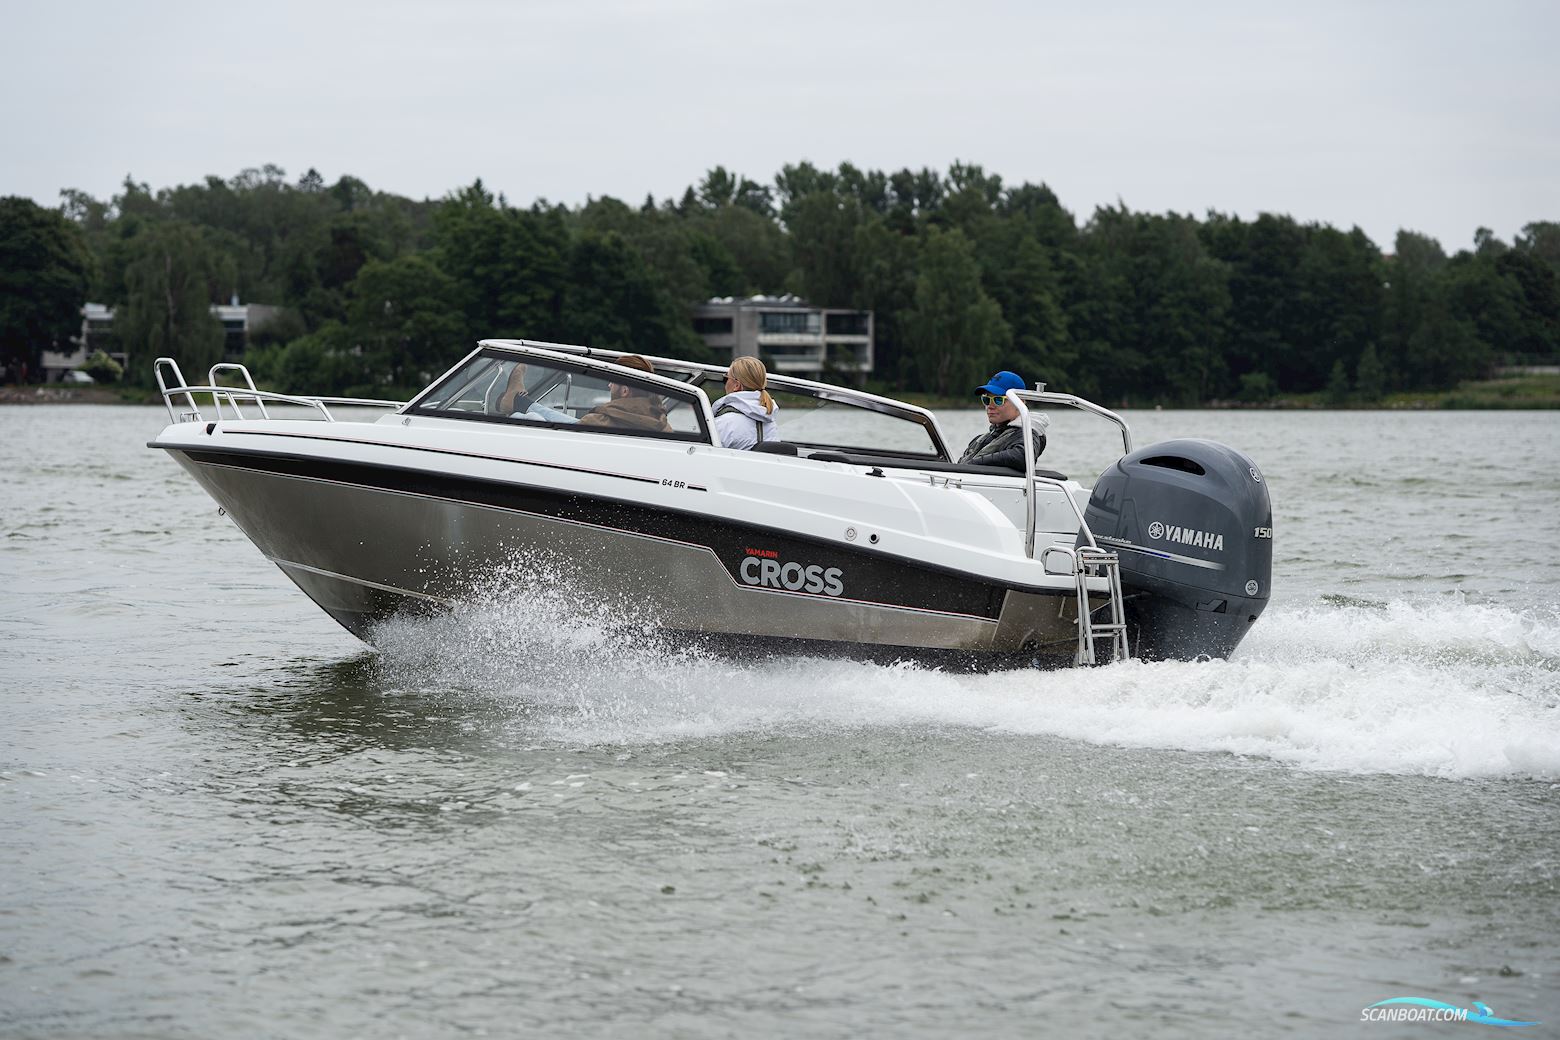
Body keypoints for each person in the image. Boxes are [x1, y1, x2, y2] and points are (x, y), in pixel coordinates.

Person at [958, 370, 1047, 471]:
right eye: (986, 400)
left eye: (998, 400)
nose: (990, 406)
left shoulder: (1028, 434)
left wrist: (973, 463)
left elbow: (1023, 457)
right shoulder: (979, 440)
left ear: (1020, 402)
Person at [576, 354, 673, 433]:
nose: (609, 385)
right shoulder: (664, 428)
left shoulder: (594, 422)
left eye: (612, 381)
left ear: (624, 391)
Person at [712, 356, 778, 449]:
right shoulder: (771, 424)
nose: (725, 383)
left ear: (736, 385)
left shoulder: (725, 423)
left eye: (726, 378)